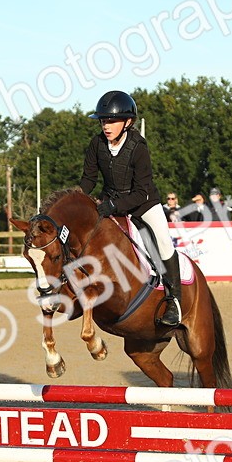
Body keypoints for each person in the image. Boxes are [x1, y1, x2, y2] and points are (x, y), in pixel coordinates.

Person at [80, 90, 183, 327]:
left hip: (143, 204)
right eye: (103, 120)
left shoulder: (138, 147)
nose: (106, 125)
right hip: (110, 203)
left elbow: (141, 191)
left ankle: (174, 301)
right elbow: (89, 179)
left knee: (164, 242)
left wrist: (115, 205)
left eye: (112, 120)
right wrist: (76, 199)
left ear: (127, 122)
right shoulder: (96, 144)